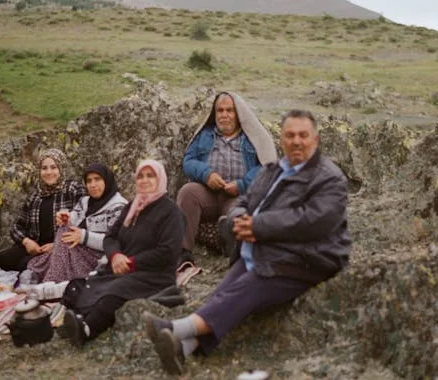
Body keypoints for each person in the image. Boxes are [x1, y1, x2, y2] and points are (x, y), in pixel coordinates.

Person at [144, 110, 351, 374]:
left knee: (252, 285)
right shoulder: (274, 169)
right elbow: (244, 200)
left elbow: (315, 221)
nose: (296, 141)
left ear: (316, 139)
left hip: (310, 258)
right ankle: (183, 349)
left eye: (303, 135)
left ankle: (175, 329)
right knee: (226, 289)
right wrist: (238, 219)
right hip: (273, 250)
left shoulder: (328, 177)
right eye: (290, 135)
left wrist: (259, 227)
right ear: (282, 139)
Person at [58, 159, 184, 346]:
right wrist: (115, 256)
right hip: (121, 268)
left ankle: (86, 329)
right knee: (83, 285)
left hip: (152, 275)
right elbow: (111, 238)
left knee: (114, 292)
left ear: (161, 179)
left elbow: (168, 251)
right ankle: (72, 320)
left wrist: (131, 262)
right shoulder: (133, 207)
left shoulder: (171, 212)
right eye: (140, 176)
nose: (144, 180)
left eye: (150, 176)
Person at [176, 91, 276, 273]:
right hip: (208, 193)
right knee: (188, 192)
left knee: (238, 213)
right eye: (220, 110)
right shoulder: (205, 135)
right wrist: (207, 174)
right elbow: (188, 161)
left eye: (229, 110)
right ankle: (183, 252)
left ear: (238, 114)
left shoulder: (251, 138)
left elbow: (266, 167)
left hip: (238, 195)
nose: (224, 115)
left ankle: (230, 245)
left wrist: (241, 185)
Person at [27, 163, 128, 283]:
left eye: (97, 179)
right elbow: (74, 218)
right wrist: (66, 219)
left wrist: (83, 236)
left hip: (101, 257)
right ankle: (48, 278)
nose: (93, 185)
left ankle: (48, 279)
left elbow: (115, 242)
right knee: (64, 230)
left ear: (107, 180)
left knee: (63, 239)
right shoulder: (85, 202)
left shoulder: (119, 206)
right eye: (89, 181)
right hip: (79, 250)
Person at [0, 149, 86, 272]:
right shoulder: (35, 196)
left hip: (63, 248)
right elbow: (16, 227)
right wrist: (27, 242)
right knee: (2, 259)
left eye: (53, 167)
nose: (48, 172)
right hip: (35, 247)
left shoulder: (74, 189)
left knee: (24, 266)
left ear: (61, 168)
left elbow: (84, 221)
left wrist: (57, 245)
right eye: (44, 168)